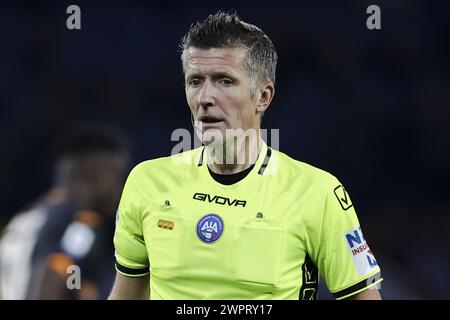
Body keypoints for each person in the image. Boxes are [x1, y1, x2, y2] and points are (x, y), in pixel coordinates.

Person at [109, 12, 383, 300]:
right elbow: (127, 295)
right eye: (195, 81)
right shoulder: (147, 181)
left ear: (263, 97)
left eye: (224, 81)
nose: (205, 98)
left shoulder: (317, 193)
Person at [0, 126, 130, 299]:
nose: (120, 190)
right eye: (118, 177)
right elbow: (54, 271)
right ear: (95, 172)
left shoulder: (28, 216)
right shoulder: (80, 220)